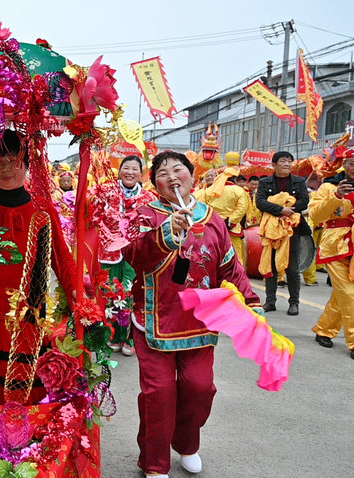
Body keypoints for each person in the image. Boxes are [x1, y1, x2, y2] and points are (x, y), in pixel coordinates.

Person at [122, 151, 261, 478]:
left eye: (178, 170)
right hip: (155, 320)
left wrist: (251, 297)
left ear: (191, 175)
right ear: (154, 182)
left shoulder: (211, 218)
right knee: (160, 394)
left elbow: (229, 264)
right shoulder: (145, 214)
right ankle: (155, 464)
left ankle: (186, 442)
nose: (172, 176)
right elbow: (133, 256)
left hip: (199, 322)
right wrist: (167, 232)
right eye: (163, 172)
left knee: (200, 388)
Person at [0, 129, 77, 405]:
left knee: (24, 385)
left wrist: (76, 292)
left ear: (26, 164)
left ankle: (26, 440)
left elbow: (61, 256)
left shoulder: (42, 208)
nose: (6, 169)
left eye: (13, 161)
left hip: (30, 314)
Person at [309, 147, 354, 361]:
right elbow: (315, 215)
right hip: (335, 245)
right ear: (344, 164)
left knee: (346, 295)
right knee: (348, 295)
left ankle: (324, 330)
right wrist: (337, 196)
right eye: (351, 163)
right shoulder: (328, 186)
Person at [105, 154, 156, 356]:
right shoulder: (107, 192)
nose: (130, 172)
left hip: (137, 253)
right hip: (110, 251)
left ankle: (131, 338)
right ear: (120, 170)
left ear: (141, 174)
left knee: (134, 293)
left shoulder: (149, 198)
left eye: (135, 169)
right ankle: (113, 335)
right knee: (111, 293)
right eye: (127, 168)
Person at [255, 151, 311, 316]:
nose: (287, 164)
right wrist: (280, 209)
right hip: (271, 230)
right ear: (274, 165)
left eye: (289, 161)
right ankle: (270, 301)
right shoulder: (265, 182)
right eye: (283, 161)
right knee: (270, 265)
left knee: (292, 267)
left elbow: (304, 200)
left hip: (292, 229)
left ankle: (294, 303)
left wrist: (290, 210)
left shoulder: (299, 181)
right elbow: (260, 202)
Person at [193, 167, 248, 265]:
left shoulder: (209, 190)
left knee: (212, 255)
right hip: (232, 229)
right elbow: (242, 208)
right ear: (235, 179)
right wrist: (230, 222)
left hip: (212, 227)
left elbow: (202, 208)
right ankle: (236, 279)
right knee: (235, 256)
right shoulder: (238, 190)